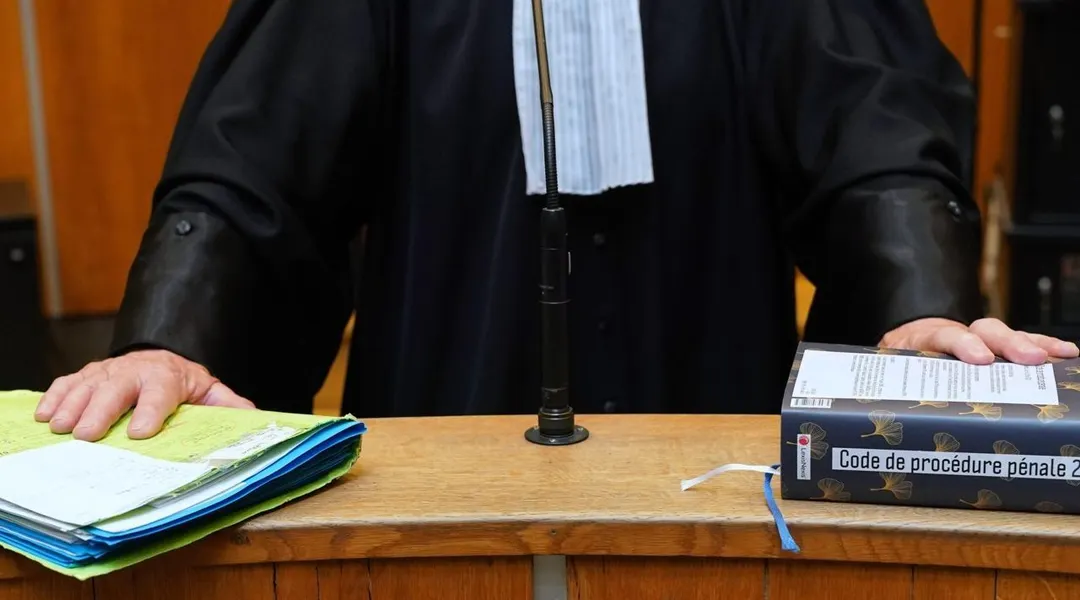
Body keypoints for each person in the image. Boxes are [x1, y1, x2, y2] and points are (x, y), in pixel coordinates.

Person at [34, 0, 1078, 442]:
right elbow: (255, 163)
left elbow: (876, 136)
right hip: (443, 425)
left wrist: (916, 310)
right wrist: (174, 340)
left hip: (706, 423)